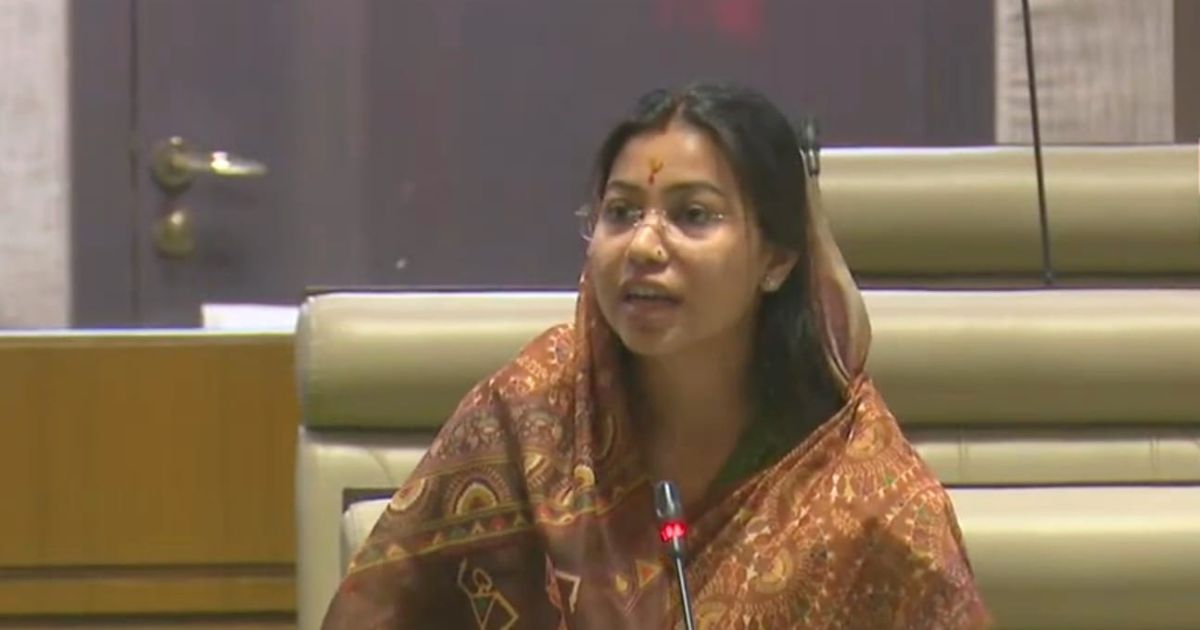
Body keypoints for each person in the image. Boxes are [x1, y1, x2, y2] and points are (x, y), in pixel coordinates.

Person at [321, 82, 990, 629]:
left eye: (692, 215)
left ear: (777, 258)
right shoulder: (527, 418)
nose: (643, 246)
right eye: (620, 213)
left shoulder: (867, 497)